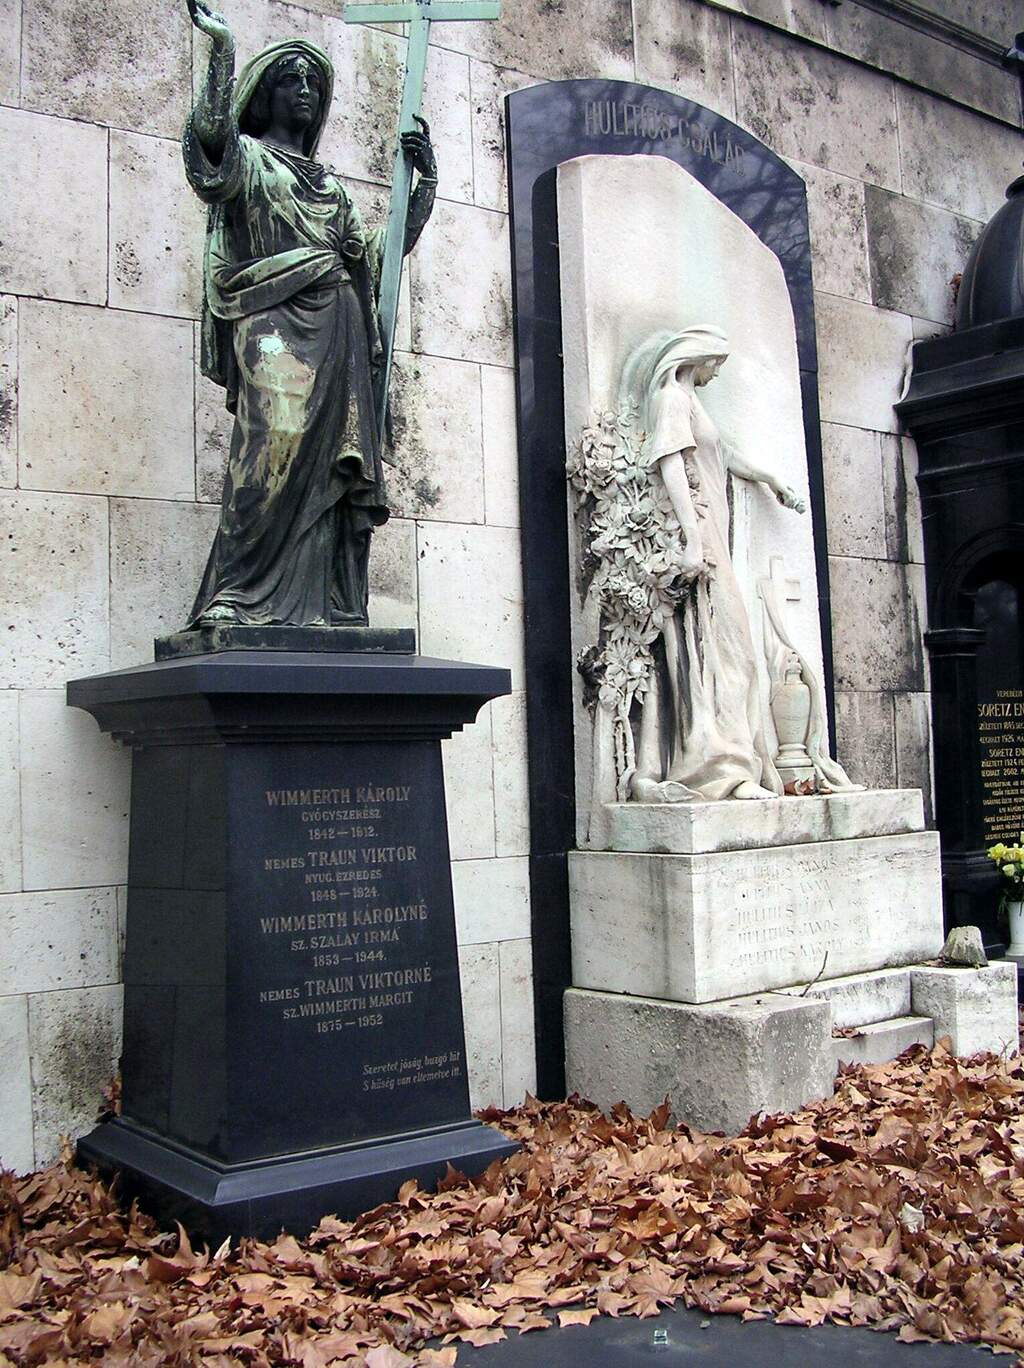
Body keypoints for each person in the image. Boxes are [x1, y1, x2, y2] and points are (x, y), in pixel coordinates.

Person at [182, 0, 437, 627]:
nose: (304, 91)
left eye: (313, 84)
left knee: (331, 462)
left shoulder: (331, 187)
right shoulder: (247, 159)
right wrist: (221, 51)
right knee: (269, 448)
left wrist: (422, 189)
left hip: (338, 328)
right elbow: (210, 146)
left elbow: (377, 256)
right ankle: (237, 592)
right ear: (264, 95)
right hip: (270, 323)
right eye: (290, 80)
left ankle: (328, 604)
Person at [621, 327, 806, 802]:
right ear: (697, 356)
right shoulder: (671, 399)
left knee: (731, 653)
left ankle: (731, 764)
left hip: (712, 538)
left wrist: (770, 479)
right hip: (701, 539)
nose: (717, 373)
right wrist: (691, 538)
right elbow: (671, 465)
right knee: (721, 653)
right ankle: (721, 771)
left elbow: (722, 455)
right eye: (716, 363)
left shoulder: (691, 402)